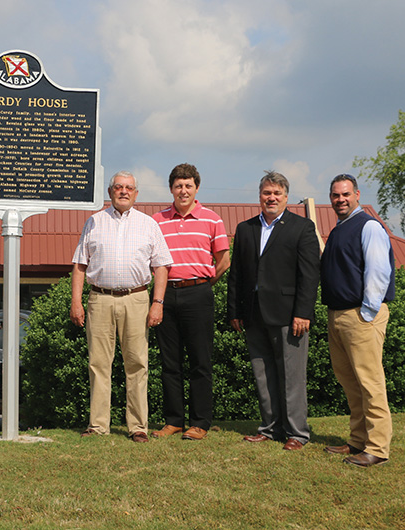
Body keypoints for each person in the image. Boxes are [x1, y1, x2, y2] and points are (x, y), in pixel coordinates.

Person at [70, 170, 172, 442]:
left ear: (136, 194)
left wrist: (157, 303)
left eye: (129, 188)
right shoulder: (93, 222)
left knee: (137, 363)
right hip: (99, 299)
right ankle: (98, 425)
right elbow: (80, 265)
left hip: (137, 299)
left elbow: (161, 266)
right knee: (98, 363)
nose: (123, 191)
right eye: (118, 187)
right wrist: (76, 302)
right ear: (110, 192)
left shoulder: (148, 224)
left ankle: (138, 427)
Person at [228, 171, 320, 450]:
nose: (271, 198)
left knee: (292, 377)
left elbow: (309, 274)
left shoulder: (302, 227)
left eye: (277, 194)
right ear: (260, 196)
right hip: (253, 314)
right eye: (267, 193)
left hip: (289, 315)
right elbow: (237, 274)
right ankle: (269, 428)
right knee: (263, 374)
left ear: (286, 198)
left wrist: (303, 312)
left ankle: (297, 433)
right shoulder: (246, 229)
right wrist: (234, 310)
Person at [151, 163, 229, 441]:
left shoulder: (212, 219)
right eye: (178, 186)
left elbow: (223, 261)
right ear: (171, 189)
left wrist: (204, 285)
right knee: (169, 362)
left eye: (188, 186)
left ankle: (200, 422)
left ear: (196, 188)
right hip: (165, 295)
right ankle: (173, 420)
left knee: (200, 361)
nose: (183, 191)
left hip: (199, 293)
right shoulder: (156, 220)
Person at [321, 174, 394, 467]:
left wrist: (367, 312)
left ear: (357, 195)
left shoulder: (369, 226)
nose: (340, 199)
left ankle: (377, 448)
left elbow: (378, 271)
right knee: (350, 381)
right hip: (338, 315)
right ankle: (357, 440)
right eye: (336, 195)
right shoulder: (339, 229)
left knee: (370, 382)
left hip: (360, 316)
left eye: (346, 194)